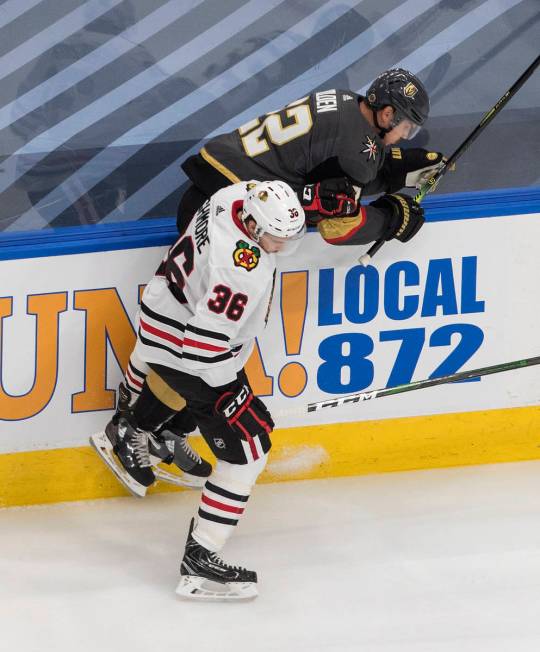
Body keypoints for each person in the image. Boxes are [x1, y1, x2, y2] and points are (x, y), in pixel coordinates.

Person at [92, 179, 306, 600]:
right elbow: (201, 352)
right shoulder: (241, 271)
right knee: (249, 449)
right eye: (276, 238)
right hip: (184, 345)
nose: (281, 246)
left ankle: (137, 428)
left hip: (165, 307)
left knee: (205, 404)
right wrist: (233, 398)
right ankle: (200, 563)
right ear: (254, 225)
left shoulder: (234, 196)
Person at [177, 67, 444, 246]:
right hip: (228, 217)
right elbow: (339, 226)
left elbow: (328, 165)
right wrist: (390, 219)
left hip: (210, 185)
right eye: (406, 128)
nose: (404, 135)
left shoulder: (344, 98)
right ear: (387, 115)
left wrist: (395, 169)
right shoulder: (354, 152)